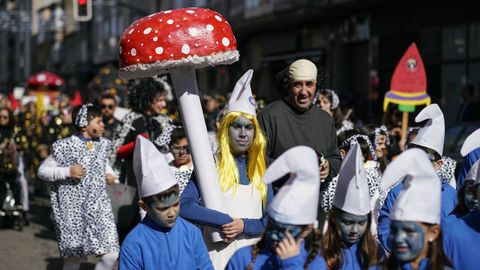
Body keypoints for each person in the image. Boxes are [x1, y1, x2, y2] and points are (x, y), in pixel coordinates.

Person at [180, 70, 273, 269]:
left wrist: (243, 225)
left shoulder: (263, 170)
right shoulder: (209, 166)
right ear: (225, 130)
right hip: (216, 258)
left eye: (249, 128)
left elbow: (271, 220)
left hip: (253, 260)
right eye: (236, 126)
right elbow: (184, 206)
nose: (242, 134)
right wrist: (225, 221)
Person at [37, 104, 119, 270]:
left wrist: (110, 174)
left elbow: (104, 164)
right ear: (83, 124)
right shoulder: (64, 147)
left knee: (112, 253)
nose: (103, 125)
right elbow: (42, 171)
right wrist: (67, 171)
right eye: (98, 121)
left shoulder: (103, 145)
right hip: (72, 211)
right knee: (74, 260)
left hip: (99, 208)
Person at [119, 136, 213, 269]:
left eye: (175, 204)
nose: (172, 213)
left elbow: (205, 267)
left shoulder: (191, 232)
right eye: (163, 208)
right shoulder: (133, 244)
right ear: (144, 206)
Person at [226, 146, 322, 270]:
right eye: (271, 227)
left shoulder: (316, 263)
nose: (274, 236)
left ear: (306, 230)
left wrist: (291, 265)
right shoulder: (243, 257)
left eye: (282, 231)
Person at [378, 104, 457, 252]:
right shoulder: (396, 192)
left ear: (438, 164)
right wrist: (403, 247)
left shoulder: (450, 194)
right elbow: (384, 229)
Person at [257, 59, 341, 184]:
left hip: (314, 200)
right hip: (278, 199)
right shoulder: (268, 116)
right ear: (288, 85)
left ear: (316, 84)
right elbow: (257, 158)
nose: (303, 91)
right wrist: (286, 172)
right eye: (297, 84)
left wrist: (329, 168)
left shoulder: (326, 120)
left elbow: (335, 157)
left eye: (309, 84)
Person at [373, 149, 452, 270]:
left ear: (432, 233)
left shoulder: (450, 193)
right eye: (394, 230)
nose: (399, 238)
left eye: (409, 232)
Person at [319, 144, 380, 269]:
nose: (354, 230)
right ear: (335, 219)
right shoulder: (322, 254)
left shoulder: (374, 253)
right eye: (347, 222)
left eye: (361, 223)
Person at [168, 127, 194, 195]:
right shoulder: (166, 170)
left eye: (185, 147)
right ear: (170, 149)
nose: (182, 152)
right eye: (177, 148)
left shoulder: (198, 167)